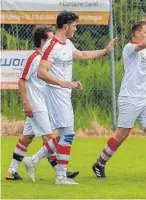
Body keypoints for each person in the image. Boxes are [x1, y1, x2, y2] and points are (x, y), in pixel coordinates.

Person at [24, 11, 118, 185]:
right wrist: (63, 83)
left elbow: (81, 55)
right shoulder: (52, 46)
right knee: (68, 134)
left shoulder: (67, 43)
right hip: (55, 93)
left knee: (66, 134)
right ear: (66, 26)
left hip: (63, 93)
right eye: (75, 25)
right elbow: (41, 72)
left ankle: (34, 160)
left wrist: (105, 50)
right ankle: (61, 177)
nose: (76, 28)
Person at [92, 11, 146, 180]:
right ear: (137, 33)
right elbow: (145, 43)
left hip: (145, 98)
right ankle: (99, 163)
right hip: (129, 98)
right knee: (122, 134)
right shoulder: (130, 48)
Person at [4, 25, 79, 181]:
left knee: (27, 138)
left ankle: (11, 171)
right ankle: (61, 172)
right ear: (43, 41)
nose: (54, 42)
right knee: (49, 138)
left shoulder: (48, 58)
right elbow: (21, 81)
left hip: (44, 104)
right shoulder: (34, 58)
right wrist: (26, 103)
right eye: (51, 39)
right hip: (37, 106)